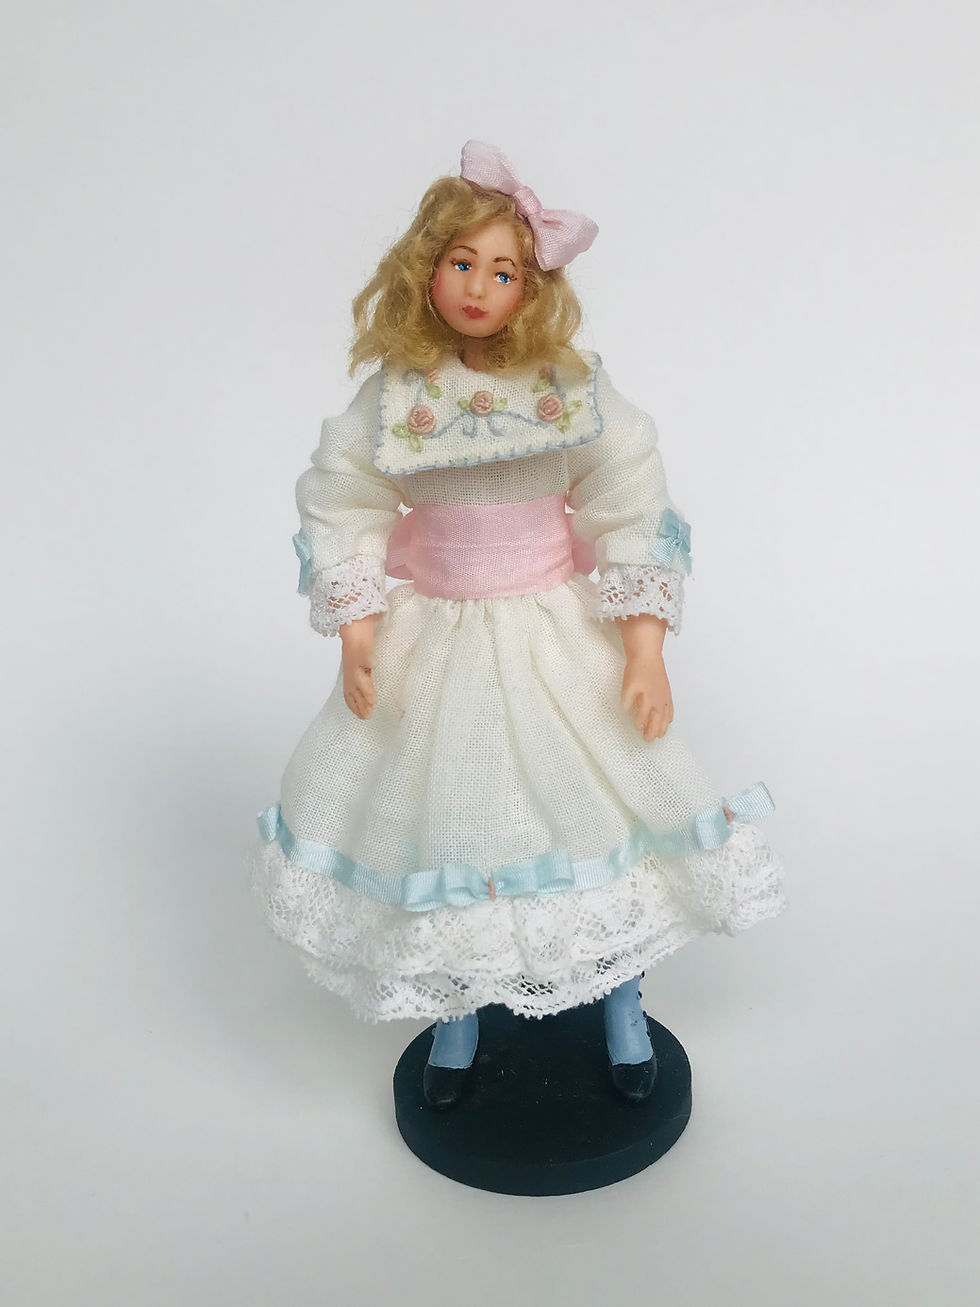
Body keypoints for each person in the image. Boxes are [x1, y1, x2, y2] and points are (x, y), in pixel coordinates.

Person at [251, 141, 784, 1109]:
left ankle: (620, 1003)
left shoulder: (568, 387)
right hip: (436, 642)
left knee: (599, 815)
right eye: (461, 263)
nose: (478, 286)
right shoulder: (399, 395)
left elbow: (629, 493)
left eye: (503, 270)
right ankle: (458, 1011)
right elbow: (343, 495)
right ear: (425, 269)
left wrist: (643, 643)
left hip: (553, 638)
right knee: (447, 829)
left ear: (531, 287)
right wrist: (358, 628)